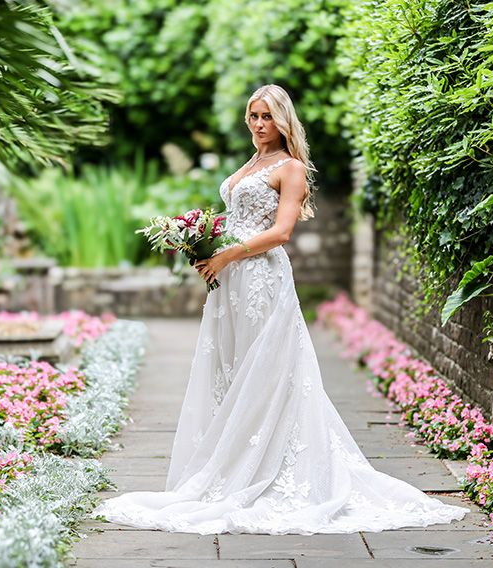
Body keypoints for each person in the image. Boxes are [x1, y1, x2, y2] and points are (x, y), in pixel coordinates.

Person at [95, 84, 468, 534]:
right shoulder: (251, 164)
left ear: (282, 120)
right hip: (229, 282)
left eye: (267, 117)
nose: (257, 124)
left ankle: (267, 466)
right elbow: (233, 222)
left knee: (266, 370)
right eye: (252, 116)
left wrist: (229, 255)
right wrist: (202, 242)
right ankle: (232, 460)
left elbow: (282, 232)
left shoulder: (290, 168)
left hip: (261, 280)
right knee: (232, 370)